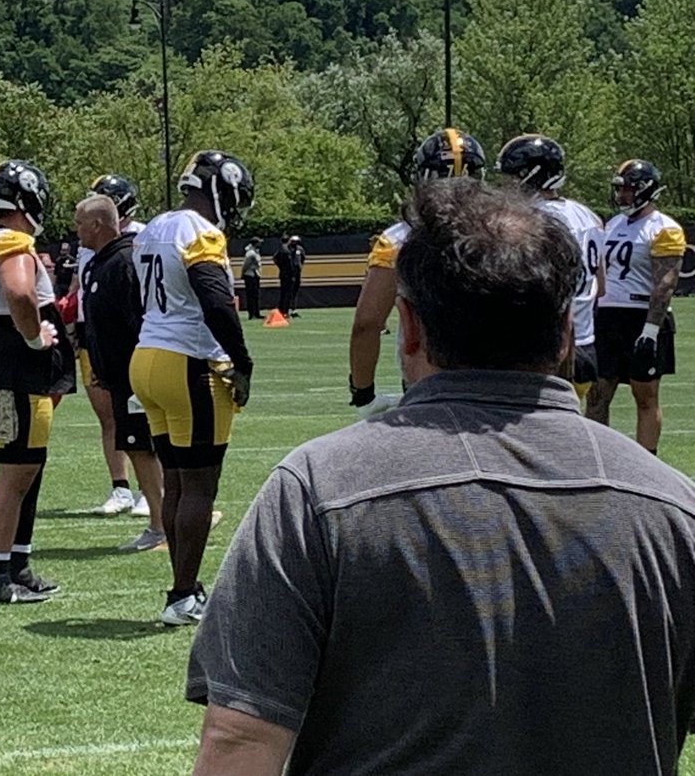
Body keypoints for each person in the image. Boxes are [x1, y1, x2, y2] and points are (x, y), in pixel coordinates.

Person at [188, 177, 695, 775]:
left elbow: (241, 741)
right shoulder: (673, 504)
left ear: (408, 327)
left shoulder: (318, 488)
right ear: (564, 334)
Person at [129, 150, 254, 626]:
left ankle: (185, 589)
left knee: (178, 482)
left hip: (149, 358)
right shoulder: (201, 231)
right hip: (188, 361)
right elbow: (215, 298)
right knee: (200, 484)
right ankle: (182, 595)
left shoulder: (155, 227)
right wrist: (241, 361)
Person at [0, 160, 75, 604]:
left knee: (26, 467)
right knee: (15, 471)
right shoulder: (12, 241)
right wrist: (34, 336)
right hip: (12, 367)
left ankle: (17, 563)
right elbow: (19, 292)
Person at [348, 127, 485, 417]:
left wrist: (363, 391)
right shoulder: (509, 232)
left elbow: (367, 324)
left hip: (426, 378)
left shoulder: (397, 241)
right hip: (501, 376)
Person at [74, 195, 165, 552]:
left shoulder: (124, 261)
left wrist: (135, 369)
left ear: (98, 224)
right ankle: (162, 520)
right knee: (137, 446)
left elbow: (137, 320)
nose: (75, 229)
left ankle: (161, 524)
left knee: (145, 448)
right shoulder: (100, 262)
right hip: (117, 374)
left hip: (135, 375)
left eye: (80, 222)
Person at [495, 135, 605, 403]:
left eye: (511, 177)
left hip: (545, 347)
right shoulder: (589, 217)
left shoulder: (534, 219)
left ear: (530, 175)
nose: (505, 186)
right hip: (584, 343)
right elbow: (600, 287)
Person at [586, 160, 685, 453]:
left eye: (627, 189)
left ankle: (648, 463)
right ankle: (597, 459)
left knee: (645, 395)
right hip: (608, 316)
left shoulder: (664, 228)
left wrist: (651, 330)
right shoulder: (613, 224)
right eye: (619, 189)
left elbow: (665, 284)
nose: (621, 196)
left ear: (644, 190)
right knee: (597, 394)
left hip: (642, 317)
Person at [241, 237, 262, 320]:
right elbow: (246, 265)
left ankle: (257, 313)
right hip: (250, 275)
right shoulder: (251, 253)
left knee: (256, 295)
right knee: (251, 295)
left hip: (255, 275)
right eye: (258, 243)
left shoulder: (255, 252)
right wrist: (242, 274)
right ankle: (252, 314)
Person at [272, 236, 293, 317]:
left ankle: (281, 309)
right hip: (287, 274)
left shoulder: (280, 249)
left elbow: (274, 258)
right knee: (287, 293)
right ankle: (285, 310)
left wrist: (280, 267)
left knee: (283, 293)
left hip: (282, 273)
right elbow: (290, 264)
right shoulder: (286, 251)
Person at [287, 235, 305, 316]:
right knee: (288, 291)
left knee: (295, 292)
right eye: (293, 241)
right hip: (289, 273)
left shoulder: (300, 249)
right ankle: (286, 309)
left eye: (296, 241)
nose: (294, 243)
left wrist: (300, 266)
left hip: (297, 273)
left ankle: (294, 309)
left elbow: (303, 258)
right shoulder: (287, 249)